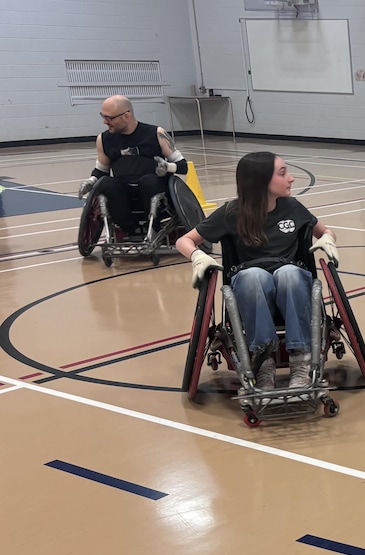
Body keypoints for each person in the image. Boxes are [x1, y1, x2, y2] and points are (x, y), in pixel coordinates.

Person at [175, 152, 339, 391]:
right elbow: (184, 241)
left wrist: (327, 239)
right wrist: (198, 256)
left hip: (291, 280)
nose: (291, 178)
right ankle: (263, 362)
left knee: (288, 274)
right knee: (254, 276)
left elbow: (326, 231)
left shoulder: (292, 207)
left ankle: (300, 361)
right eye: (283, 173)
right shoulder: (231, 213)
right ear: (261, 182)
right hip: (249, 282)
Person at [77, 95, 188, 240]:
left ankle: (153, 226)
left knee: (148, 181)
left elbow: (183, 166)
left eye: (109, 118)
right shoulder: (103, 139)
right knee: (105, 183)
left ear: (126, 116)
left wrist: (167, 167)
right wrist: (91, 181)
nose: (105, 122)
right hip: (123, 190)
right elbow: (101, 171)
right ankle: (130, 229)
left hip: (153, 187)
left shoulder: (156, 134)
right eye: (103, 117)